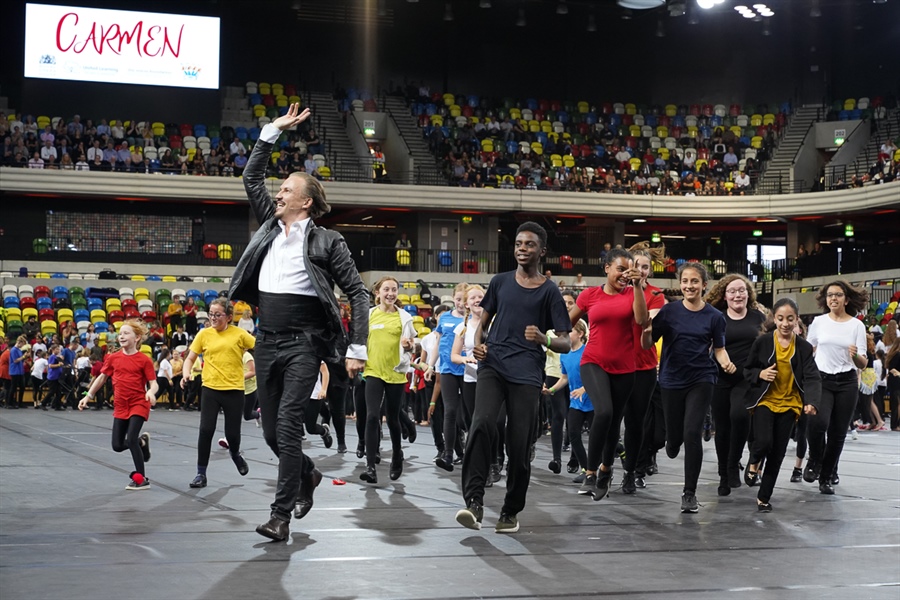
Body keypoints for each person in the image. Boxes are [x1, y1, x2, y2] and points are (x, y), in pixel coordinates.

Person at [228, 103, 369, 542]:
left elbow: (357, 293)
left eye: (287, 189)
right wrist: (272, 130)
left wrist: (356, 348)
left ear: (305, 200)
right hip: (265, 340)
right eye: (280, 188)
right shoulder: (269, 225)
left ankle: (280, 516)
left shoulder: (328, 240)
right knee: (272, 432)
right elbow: (251, 176)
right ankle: (307, 475)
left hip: (305, 344)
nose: (278, 193)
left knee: (288, 426)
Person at [455, 222, 571, 533]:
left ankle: (510, 511)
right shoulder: (500, 282)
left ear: (541, 251)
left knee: (519, 444)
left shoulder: (549, 292)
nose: (522, 248)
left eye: (529, 244)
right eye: (518, 243)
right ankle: (474, 503)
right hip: (493, 364)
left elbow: (566, 341)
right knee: (481, 423)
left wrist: (543, 340)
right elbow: (483, 321)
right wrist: (478, 344)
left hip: (527, 373)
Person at [641, 262, 736, 513]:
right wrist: (645, 330)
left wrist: (726, 364)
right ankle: (672, 443)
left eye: (695, 281)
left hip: (702, 378)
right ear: (680, 284)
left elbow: (719, 349)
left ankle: (689, 493)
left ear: (704, 285)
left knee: (692, 432)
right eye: (685, 281)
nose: (689, 286)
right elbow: (647, 342)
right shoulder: (669, 312)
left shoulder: (715, 317)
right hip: (671, 379)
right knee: (674, 439)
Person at [567, 248, 647, 500]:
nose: (624, 274)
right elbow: (566, 322)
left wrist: (636, 286)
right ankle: (591, 472)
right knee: (603, 411)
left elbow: (642, 319)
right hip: (593, 362)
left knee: (613, 423)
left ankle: (606, 469)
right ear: (607, 269)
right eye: (620, 269)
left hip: (625, 368)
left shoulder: (633, 294)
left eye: (629, 270)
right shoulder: (590, 295)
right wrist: (550, 337)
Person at [739, 298, 821, 511]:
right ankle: (754, 460)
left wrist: (811, 401)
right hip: (765, 400)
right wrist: (761, 373)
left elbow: (812, 376)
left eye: (790, 319)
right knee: (764, 442)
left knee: (778, 452)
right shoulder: (763, 342)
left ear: (797, 320)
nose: (785, 324)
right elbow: (748, 370)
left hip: (790, 405)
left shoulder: (803, 347)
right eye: (781, 318)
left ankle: (764, 497)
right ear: (774, 318)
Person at [181, 298, 256, 489]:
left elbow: (260, 349)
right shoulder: (204, 334)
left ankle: (236, 454)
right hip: (211, 388)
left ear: (229, 317)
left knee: (232, 434)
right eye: (211, 314)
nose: (213, 318)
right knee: (206, 430)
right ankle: (201, 473)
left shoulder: (240, 335)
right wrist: (186, 373)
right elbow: (190, 358)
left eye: (218, 314)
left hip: (234, 390)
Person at [804, 280, 869, 494]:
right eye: (830, 295)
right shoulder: (819, 322)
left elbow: (863, 362)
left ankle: (826, 476)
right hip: (822, 379)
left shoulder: (856, 325)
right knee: (817, 423)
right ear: (826, 299)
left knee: (838, 433)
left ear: (846, 299)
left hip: (846, 381)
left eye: (838, 295)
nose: (833, 298)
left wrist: (856, 356)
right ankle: (814, 459)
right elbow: (809, 350)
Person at [78, 320, 158, 490]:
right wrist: (88, 395)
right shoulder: (113, 358)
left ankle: (141, 479)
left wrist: (151, 392)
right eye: (120, 333)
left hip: (138, 403)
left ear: (137, 337)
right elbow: (101, 378)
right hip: (121, 405)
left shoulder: (144, 360)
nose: (121, 336)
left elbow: (153, 382)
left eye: (126, 333)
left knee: (130, 439)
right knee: (117, 445)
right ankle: (142, 442)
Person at [705, 274, 766, 495]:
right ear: (724, 295)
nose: (737, 295)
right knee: (722, 428)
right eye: (732, 291)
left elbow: (767, 346)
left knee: (739, 416)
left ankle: (734, 463)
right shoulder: (716, 317)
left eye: (742, 290)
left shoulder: (758, 317)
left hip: (747, 379)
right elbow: (709, 346)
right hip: (720, 378)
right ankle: (724, 473)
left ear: (748, 294)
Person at [358, 277, 417, 484]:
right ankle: (370, 466)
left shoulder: (404, 317)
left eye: (394, 289)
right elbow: (359, 341)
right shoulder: (369, 316)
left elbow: (413, 347)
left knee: (392, 418)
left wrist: (410, 346)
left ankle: (397, 456)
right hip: (373, 371)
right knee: (372, 416)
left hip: (395, 373)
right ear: (377, 293)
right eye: (386, 289)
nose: (391, 293)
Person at [625, 242, 667, 492]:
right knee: (611, 418)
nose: (641, 271)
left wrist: (637, 290)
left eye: (645, 267)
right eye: (636, 266)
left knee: (639, 422)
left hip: (645, 365)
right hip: (618, 363)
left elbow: (645, 321)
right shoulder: (617, 290)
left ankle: (636, 468)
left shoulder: (656, 294)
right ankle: (603, 466)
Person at [427, 283, 469, 471]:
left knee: (466, 416)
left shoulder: (472, 319)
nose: (461, 303)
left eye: (464, 300)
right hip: (447, 370)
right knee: (450, 411)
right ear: (453, 299)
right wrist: (430, 365)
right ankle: (449, 454)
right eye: (458, 299)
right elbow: (437, 343)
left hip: (467, 370)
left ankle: (470, 451)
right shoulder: (444, 318)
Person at [550, 319, 593, 483]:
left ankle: (614, 456)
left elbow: (596, 376)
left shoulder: (588, 352)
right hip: (576, 402)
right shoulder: (564, 354)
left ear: (580, 334)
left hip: (592, 402)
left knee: (600, 437)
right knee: (573, 435)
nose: (565, 335)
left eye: (569, 332)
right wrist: (552, 389)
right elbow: (565, 377)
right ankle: (586, 468)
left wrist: (585, 388)